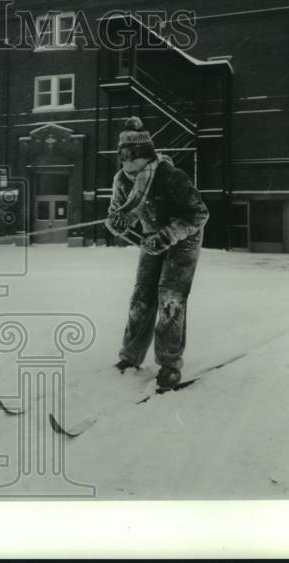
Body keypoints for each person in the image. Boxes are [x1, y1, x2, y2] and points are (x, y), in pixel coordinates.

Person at [105, 117, 209, 389]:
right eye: (122, 156)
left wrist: (167, 235)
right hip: (152, 238)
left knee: (170, 299)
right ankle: (130, 357)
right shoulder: (122, 180)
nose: (126, 163)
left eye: (131, 156)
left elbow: (199, 214)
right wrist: (118, 223)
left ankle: (170, 364)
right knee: (142, 296)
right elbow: (117, 214)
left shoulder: (170, 176)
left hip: (182, 239)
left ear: (145, 155)